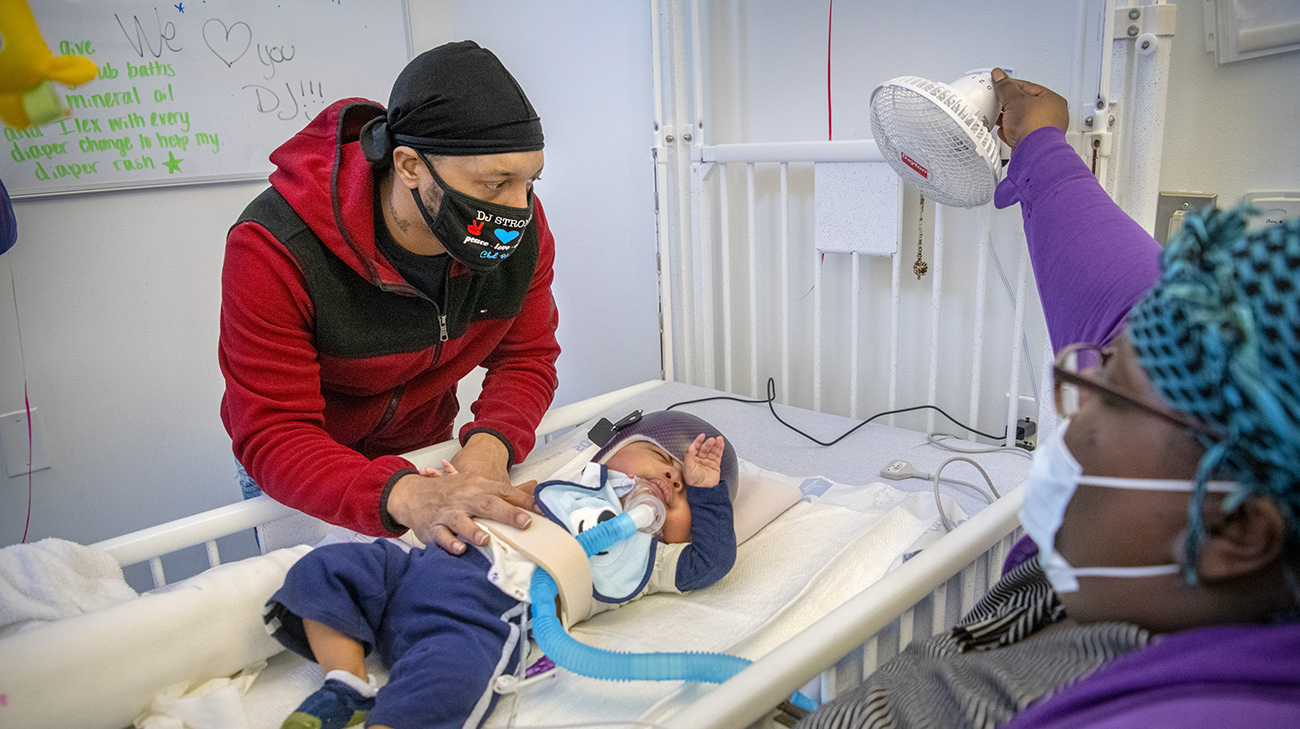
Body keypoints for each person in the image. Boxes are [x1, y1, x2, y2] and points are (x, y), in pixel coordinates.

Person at [797, 68, 1300, 728]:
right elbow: (1123, 292)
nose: (1070, 402)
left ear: (1235, 530)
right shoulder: (1169, 515)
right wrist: (1038, 135)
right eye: (1105, 365)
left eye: (1112, 398)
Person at [219, 41, 560, 554]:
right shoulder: (275, 247)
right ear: (408, 166)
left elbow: (527, 358)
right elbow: (274, 430)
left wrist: (491, 446)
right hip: (303, 473)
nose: (519, 209)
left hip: (423, 449)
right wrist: (405, 496)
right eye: (494, 184)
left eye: (530, 181)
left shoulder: (516, 233)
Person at [264, 410, 739, 729]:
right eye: (661, 458)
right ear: (608, 455)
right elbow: (483, 499)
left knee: (448, 684)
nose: (672, 478)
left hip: (478, 617)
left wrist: (708, 492)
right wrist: (457, 487)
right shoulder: (558, 487)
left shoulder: (650, 559)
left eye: (684, 491)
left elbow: (712, 561)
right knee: (326, 568)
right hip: (412, 569)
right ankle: (345, 684)